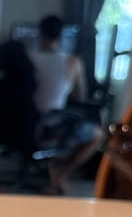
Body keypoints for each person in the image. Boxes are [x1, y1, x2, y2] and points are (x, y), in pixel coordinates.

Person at [30, 15, 105, 194]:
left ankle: (52, 169)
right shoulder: (72, 61)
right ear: (61, 35)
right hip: (53, 128)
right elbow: (80, 96)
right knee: (97, 134)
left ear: (39, 33)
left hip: (24, 123)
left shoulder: (26, 57)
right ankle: (63, 173)